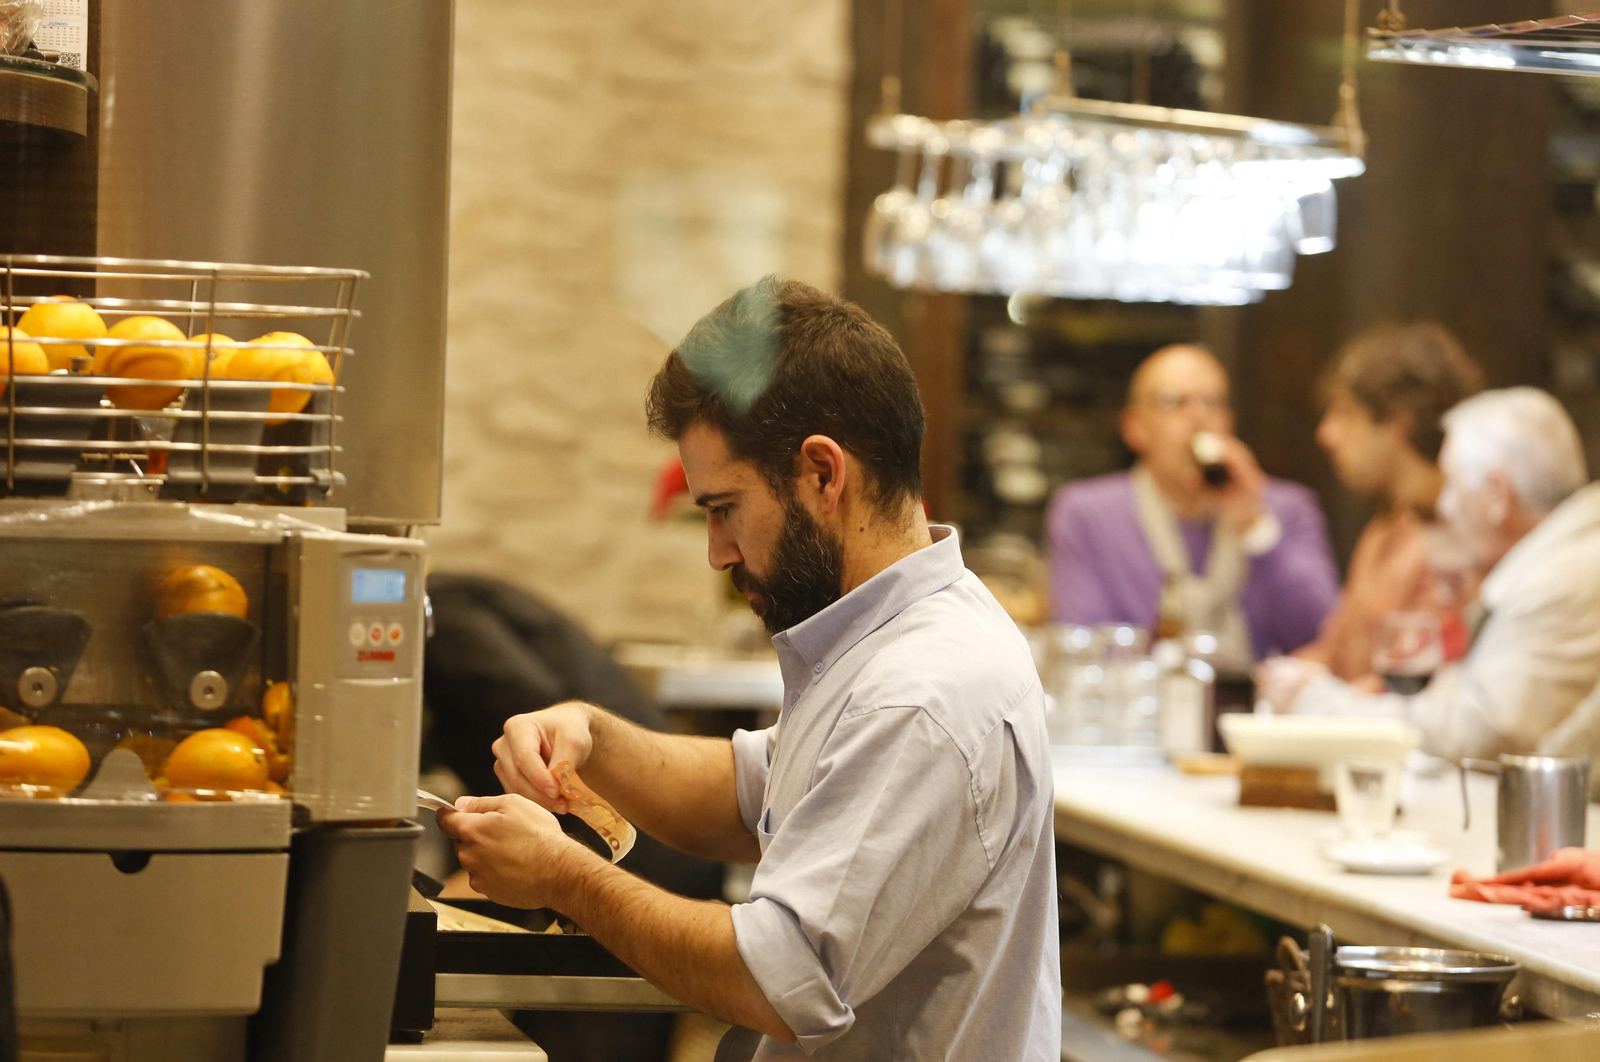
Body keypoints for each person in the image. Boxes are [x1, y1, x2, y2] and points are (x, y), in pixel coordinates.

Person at [437, 277, 1061, 1061]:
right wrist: (593, 738)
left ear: (824, 474)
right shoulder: (886, 637)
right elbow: (751, 797)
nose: (717, 552)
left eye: (725, 508)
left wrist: (561, 876)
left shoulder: (924, 693)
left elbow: (778, 976)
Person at [1265, 388, 1600, 761]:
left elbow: (1486, 731)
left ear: (1497, 496)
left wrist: (1319, 703)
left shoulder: (1564, 578)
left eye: (1453, 484)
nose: (1445, 506)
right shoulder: (1556, 560)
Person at [1046, 344, 1340, 665]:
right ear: (1134, 427)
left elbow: (1321, 637)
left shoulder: (1286, 509)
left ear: (1229, 421)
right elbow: (1083, 647)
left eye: (1212, 403)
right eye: (1173, 402)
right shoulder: (1087, 514)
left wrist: (1255, 526)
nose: (1199, 418)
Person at [1290, 323, 1483, 682]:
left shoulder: (1467, 535)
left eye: (1344, 412)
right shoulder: (1384, 529)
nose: (1326, 434)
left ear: (1399, 422)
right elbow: (1334, 658)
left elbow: (1424, 681)